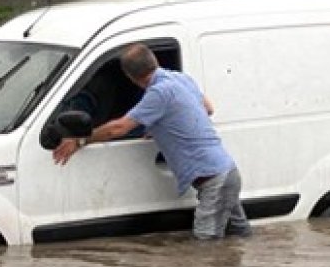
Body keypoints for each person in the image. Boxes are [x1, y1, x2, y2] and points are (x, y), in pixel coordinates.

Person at [53, 44, 250, 240]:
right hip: (226, 172)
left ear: (130, 77)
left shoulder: (159, 93)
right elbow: (207, 108)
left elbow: (118, 128)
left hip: (214, 180)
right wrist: (163, 125)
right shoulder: (181, 78)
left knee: (206, 243)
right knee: (239, 236)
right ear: (154, 61)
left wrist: (81, 141)